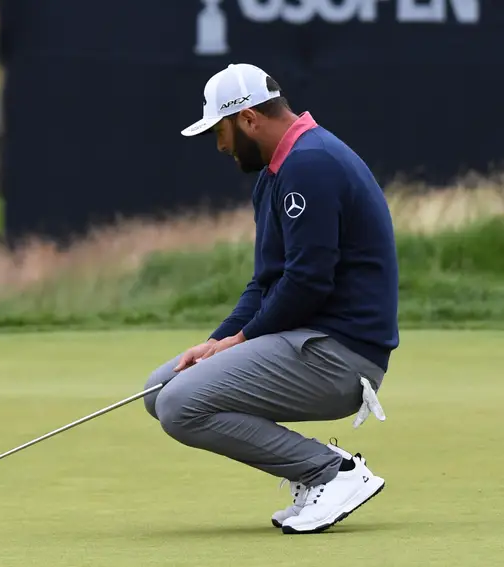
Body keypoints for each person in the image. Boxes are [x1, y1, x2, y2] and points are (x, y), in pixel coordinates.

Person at [142, 63, 398, 535]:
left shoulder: (310, 164)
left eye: (219, 131)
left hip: (342, 356)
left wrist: (239, 339)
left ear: (247, 121)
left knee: (179, 405)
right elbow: (267, 282)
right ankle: (317, 468)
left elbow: (307, 283)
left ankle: (329, 473)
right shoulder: (279, 171)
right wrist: (216, 341)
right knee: (161, 389)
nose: (219, 146)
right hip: (309, 342)